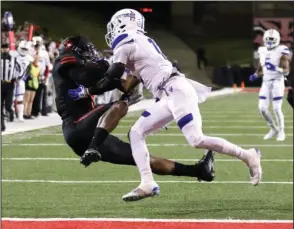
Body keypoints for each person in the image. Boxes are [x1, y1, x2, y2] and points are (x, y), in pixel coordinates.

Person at [103, 8, 262, 202]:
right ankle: (147, 183)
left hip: (175, 90)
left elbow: (112, 74)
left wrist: (92, 82)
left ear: (123, 23)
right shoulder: (138, 43)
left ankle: (247, 155)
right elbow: (126, 85)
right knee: (136, 132)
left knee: (196, 139)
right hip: (168, 94)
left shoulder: (127, 42)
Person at [52, 35, 215, 183]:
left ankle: (198, 170)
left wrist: (138, 74)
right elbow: (87, 77)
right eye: (87, 51)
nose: (90, 55)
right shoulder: (63, 62)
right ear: (75, 51)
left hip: (89, 133)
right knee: (119, 104)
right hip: (76, 127)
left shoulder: (80, 69)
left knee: (143, 158)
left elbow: (115, 83)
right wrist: (107, 68)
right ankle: (94, 147)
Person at [249, 29, 290, 141]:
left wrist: (276, 68)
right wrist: (256, 75)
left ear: (277, 40)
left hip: (277, 81)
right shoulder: (262, 50)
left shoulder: (281, 51)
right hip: (266, 82)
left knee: (277, 108)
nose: (270, 42)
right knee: (262, 108)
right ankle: (273, 129)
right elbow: (262, 69)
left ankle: (281, 131)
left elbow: (286, 71)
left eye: (272, 40)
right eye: (268, 39)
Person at [1, 42, 22, 131]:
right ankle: (2, 125)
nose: (5, 49)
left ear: (8, 49)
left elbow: (21, 69)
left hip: (10, 84)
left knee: (8, 105)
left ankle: (11, 112)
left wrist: (17, 78)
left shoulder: (14, 59)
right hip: (1, 84)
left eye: (6, 48)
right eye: (3, 48)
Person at [15, 40, 34, 121]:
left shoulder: (29, 59)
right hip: (12, 79)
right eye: (23, 48)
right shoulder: (14, 56)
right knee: (10, 98)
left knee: (20, 98)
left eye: (25, 49)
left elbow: (29, 70)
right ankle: (11, 114)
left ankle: (20, 115)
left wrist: (23, 78)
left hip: (21, 80)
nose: (24, 50)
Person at [23, 53, 41, 119]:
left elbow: (38, 76)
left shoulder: (39, 66)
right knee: (26, 99)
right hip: (29, 83)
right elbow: (26, 74)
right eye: (36, 58)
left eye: (38, 58)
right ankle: (24, 113)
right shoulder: (30, 65)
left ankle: (28, 113)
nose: (36, 59)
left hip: (35, 84)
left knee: (31, 100)